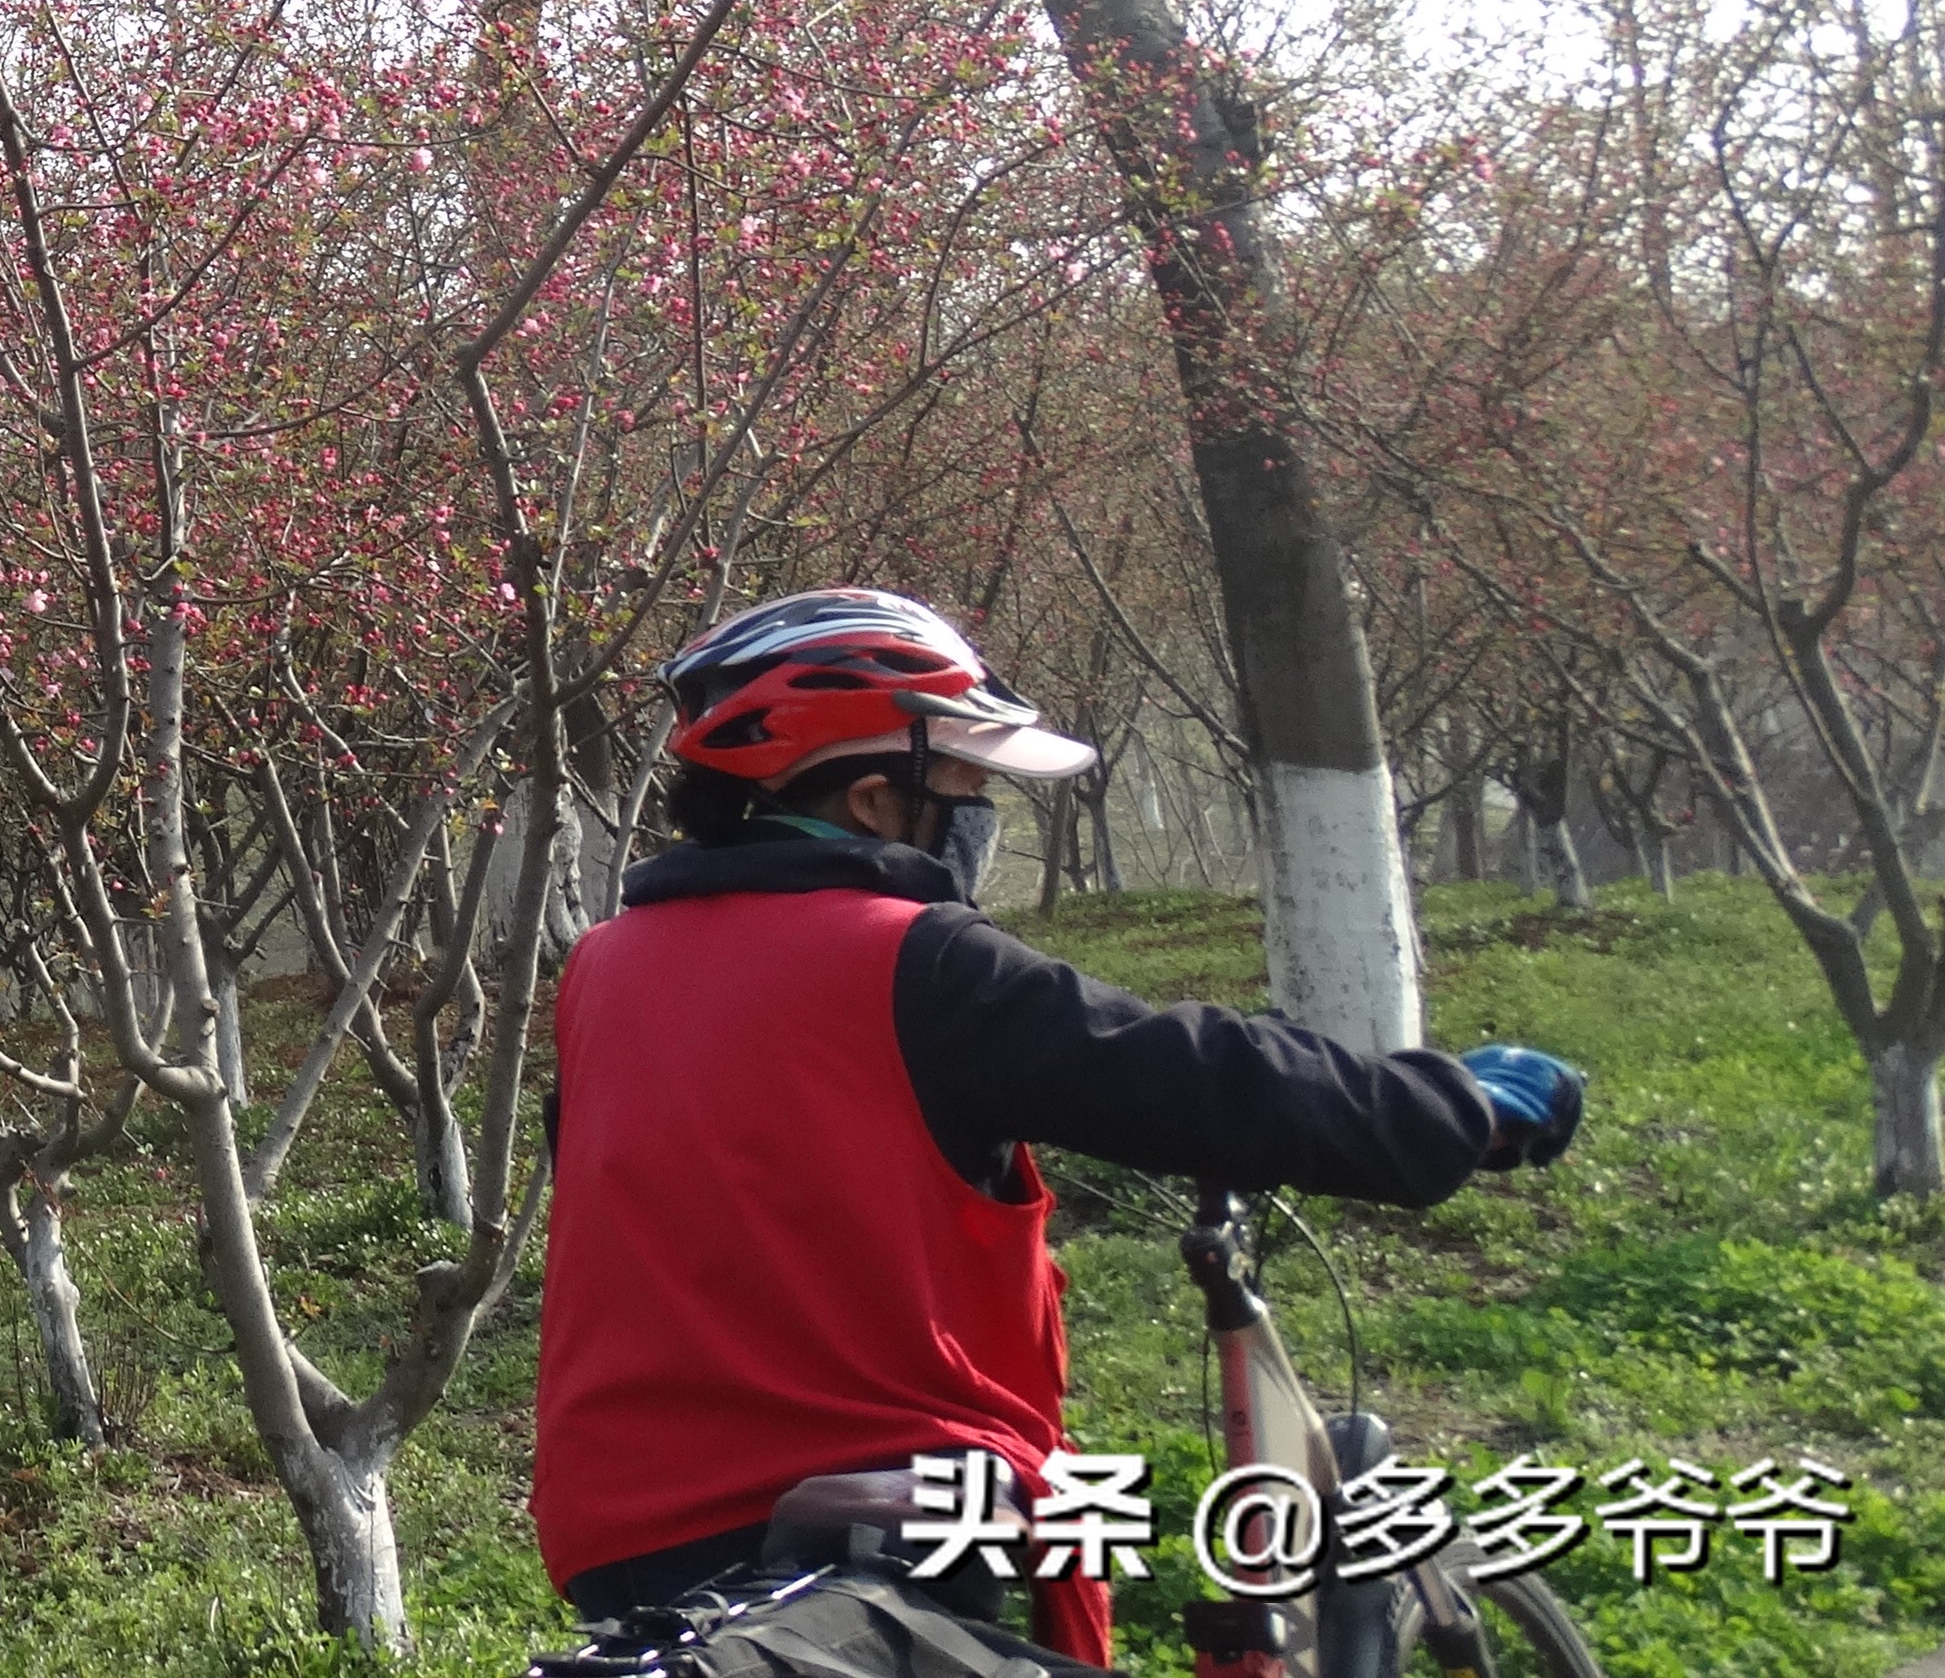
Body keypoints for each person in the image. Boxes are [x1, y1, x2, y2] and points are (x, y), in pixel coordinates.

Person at [535, 588, 1589, 1667]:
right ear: (872, 800)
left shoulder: (603, 969)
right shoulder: (918, 958)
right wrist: (1455, 1108)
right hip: (865, 1519)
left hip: (624, 1536)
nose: (983, 813)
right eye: (968, 786)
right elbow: (1189, 1072)